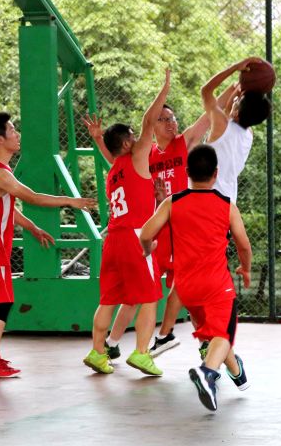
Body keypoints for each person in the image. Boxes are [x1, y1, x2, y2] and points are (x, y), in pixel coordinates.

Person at [83, 79, 240, 360]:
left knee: (186, 288)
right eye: (164, 119)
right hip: (153, 231)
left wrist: (233, 87)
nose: (171, 122)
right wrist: (98, 139)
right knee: (138, 292)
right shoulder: (145, 154)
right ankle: (113, 342)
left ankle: (200, 340)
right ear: (153, 127)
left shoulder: (184, 142)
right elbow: (117, 164)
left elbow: (208, 115)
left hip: (180, 230)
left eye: (173, 118)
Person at [0, 112, 97, 378]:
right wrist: (70, 201)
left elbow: (8, 209)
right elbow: (33, 197)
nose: (17, 135)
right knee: (1, 302)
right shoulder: (0, 173)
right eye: (12, 130)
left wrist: (33, 228)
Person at [140, 144, 253, 411]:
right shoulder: (226, 206)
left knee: (215, 335)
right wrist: (246, 268)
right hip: (216, 286)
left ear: (187, 172)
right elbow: (244, 245)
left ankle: (238, 373)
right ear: (216, 173)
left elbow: (145, 234)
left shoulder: (172, 202)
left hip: (187, 289)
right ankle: (208, 373)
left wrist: (148, 249)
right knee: (223, 334)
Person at [81, 70, 170, 376]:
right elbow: (149, 121)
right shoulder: (137, 156)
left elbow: (110, 155)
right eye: (132, 136)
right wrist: (164, 89)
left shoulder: (114, 169)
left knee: (108, 300)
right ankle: (142, 353)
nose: (138, 138)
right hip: (135, 237)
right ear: (127, 142)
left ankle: (97, 352)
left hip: (114, 240)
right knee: (151, 297)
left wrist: (97, 138)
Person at [201, 57, 272, 203]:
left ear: (237, 113)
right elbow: (229, 110)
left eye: (237, 101)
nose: (235, 100)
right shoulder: (248, 135)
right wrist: (241, 88)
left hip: (206, 202)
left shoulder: (221, 125)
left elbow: (206, 91)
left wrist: (235, 67)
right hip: (228, 203)